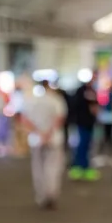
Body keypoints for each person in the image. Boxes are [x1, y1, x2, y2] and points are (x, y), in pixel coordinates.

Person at [20, 79, 67, 209]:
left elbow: (25, 119)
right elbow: (59, 118)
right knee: (53, 167)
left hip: (36, 139)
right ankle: (51, 193)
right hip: (54, 139)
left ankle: (41, 196)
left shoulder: (30, 100)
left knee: (38, 167)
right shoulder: (56, 100)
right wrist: (49, 133)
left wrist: (39, 133)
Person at [69, 71, 100, 181]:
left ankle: (84, 167)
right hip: (82, 123)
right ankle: (80, 167)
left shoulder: (90, 91)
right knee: (82, 145)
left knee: (86, 145)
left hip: (88, 123)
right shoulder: (82, 91)